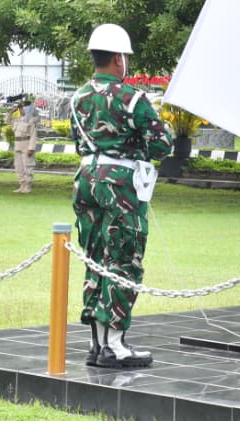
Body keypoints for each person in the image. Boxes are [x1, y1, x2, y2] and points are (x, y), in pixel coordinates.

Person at [71, 23, 173, 368]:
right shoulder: (132, 98)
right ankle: (115, 343)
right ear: (118, 59)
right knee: (124, 258)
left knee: (95, 256)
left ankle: (97, 342)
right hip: (119, 184)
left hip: (86, 177)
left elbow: (78, 143)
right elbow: (163, 144)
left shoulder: (78, 97)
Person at [10, 97, 39, 194]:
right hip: (18, 144)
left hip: (26, 144)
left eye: (22, 108)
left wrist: (31, 148)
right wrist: (11, 112)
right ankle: (22, 184)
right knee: (18, 166)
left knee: (28, 166)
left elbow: (33, 135)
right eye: (19, 108)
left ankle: (28, 186)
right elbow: (7, 120)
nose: (20, 110)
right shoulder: (17, 120)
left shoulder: (31, 120)